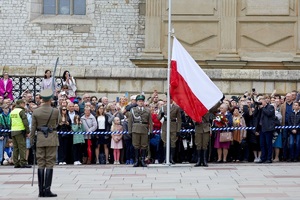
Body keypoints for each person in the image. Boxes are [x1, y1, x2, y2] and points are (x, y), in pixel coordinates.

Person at [30, 89, 60, 197]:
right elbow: (58, 123)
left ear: (42, 99)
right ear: (50, 99)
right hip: (51, 138)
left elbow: (33, 128)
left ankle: (40, 191)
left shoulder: (36, 111)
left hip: (40, 139)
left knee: (41, 163)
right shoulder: (55, 111)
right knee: (50, 163)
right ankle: (47, 190)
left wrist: (32, 140)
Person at [128, 95, 153, 167]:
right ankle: (136, 160)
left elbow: (150, 122)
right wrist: (130, 131)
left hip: (144, 129)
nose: (141, 102)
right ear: (137, 102)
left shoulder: (147, 110)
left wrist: (151, 131)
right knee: (136, 145)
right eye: (139, 101)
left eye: (142, 101)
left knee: (144, 145)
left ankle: (142, 160)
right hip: (135, 129)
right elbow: (130, 121)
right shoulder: (133, 110)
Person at [194, 102, 221, 167]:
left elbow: (214, 107)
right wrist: (195, 121)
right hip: (198, 127)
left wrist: (220, 101)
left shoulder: (207, 108)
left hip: (206, 127)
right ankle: (199, 160)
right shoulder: (196, 108)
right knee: (198, 144)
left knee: (205, 145)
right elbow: (193, 115)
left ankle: (204, 160)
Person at [157, 97, 182, 164]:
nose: (169, 100)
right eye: (168, 99)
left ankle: (171, 158)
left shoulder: (176, 108)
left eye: (171, 99)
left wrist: (178, 130)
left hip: (173, 126)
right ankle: (166, 158)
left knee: (173, 143)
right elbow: (158, 118)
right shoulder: (163, 107)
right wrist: (161, 115)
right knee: (165, 142)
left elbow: (179, 120)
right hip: (165, 126)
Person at [10, 99, 31, 168]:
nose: (24, 105)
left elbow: (10, 122)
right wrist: (28, 131)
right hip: (20, 131)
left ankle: (16, 163)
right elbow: (25, 122)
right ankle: (23, 162)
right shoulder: (21, 111)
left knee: (15, 148)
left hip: (13, 131)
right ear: (21, 103)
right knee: (22, 147)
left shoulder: (12, 111)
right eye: (24, 103)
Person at [256, 96, 276, 163]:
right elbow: (256, 116)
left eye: (262, 101)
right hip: (262, 128)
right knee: (262, 144)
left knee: (268, 144)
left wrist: (263, 108)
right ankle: (263, 158)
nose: (261, 103)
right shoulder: (261, 109)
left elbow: (269, 114)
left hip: (268, 128)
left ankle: (269, 158)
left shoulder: (270, 107)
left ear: (265, 101)